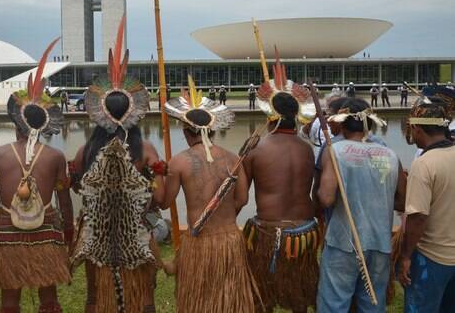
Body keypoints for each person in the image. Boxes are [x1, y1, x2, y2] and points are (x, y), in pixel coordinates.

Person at [70, 19, 165, 313]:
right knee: (143, 297)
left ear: (101, 113)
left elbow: (75, 184)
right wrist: (157, 183)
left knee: (94, 296)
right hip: (134, 231)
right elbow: (159, 199)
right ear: (133, 112)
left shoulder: (86, 149)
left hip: (96, 232)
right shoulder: (145, 150)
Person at [0, 40, 73, 313]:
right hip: (47, 231)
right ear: (42, 125)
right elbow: (64, 201)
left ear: (15, 122)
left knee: (10, 301)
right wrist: (68, 232)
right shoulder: (55, 156)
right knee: (49, 300)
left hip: (10, 232)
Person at [163, 76, 260, 313]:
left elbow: (165, 202)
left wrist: (156, 177)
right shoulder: (233, 159)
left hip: (199, 242)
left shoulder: (178, 162)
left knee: (199, 303)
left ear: (186, 132)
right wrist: (226, 216)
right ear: (212, 130)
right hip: (229, 241)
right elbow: (243, 199)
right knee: (228, 302)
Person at [243, 56, 320, 313]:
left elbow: (241, 197)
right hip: (304, 231)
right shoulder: (307, 149)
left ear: (269, 114)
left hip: (267, 231)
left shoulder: (256, 150)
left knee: (262, 297)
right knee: (299, 298)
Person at [316, 98, 406, 311]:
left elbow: (326, 198)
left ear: (343, 123)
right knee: (372, 305)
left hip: (343, 243)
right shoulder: (392, 155)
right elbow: (402, 200)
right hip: (380, 243)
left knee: (334, 304)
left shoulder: (335, 151)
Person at [399, 101, 455, 312]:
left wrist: (405, 256)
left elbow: (418, 217)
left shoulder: (424, 164)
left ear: (417, 129)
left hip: (431, 258)